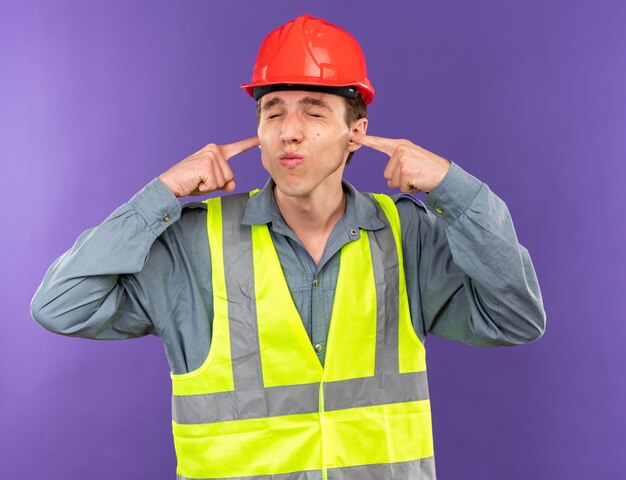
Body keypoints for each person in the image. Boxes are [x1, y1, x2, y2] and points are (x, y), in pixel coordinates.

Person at [31, 13, 545, 480]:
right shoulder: (191, 243)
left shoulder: (408, 236)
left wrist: (456, 189)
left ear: (356, 133)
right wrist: (159, 194)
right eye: (273, 112)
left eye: (315, 112)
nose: (289, 133)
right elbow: (60, 307)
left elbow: (517, 318)